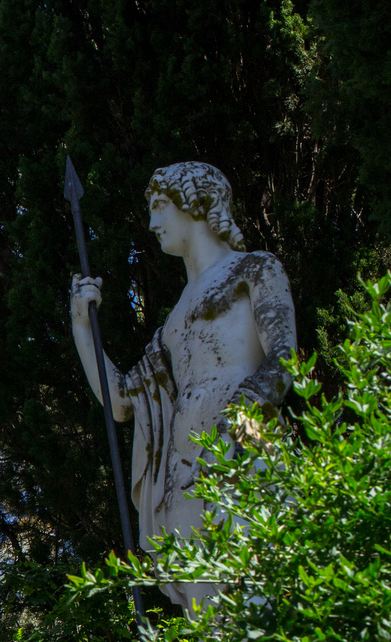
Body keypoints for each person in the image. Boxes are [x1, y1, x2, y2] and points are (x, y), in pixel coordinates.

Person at [70, 161, 296, 610]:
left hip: (240, 451)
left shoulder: (253, 269)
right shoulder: (173, 320)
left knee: (255, 612)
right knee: (206, 633)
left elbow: (286, 360)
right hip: (182, 471)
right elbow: (121, 401)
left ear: (196, 203)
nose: (152, 224)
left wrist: (239, 420)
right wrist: (81, 327)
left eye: (159, 207)